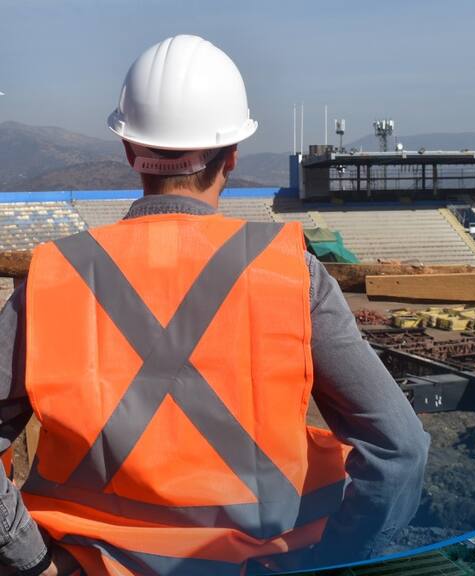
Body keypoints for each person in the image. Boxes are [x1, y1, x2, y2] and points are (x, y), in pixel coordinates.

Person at [0, 35, 429, 575]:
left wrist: (32, 563)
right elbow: (401, 449)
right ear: (232, 156)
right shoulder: (291, 273)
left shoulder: (55, 276)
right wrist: (338, 557)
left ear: (130, 151)